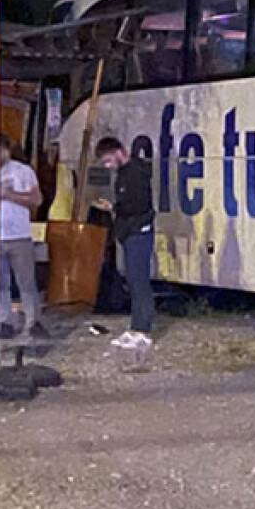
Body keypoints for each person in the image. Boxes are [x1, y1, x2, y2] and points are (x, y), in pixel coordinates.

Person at [0, 135, 47, 339]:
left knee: (26, 281)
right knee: (1, 283)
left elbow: (36, 199)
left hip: (19, 235)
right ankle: (5, 321)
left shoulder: (23, 171)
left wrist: (9, 195)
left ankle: (33, 321)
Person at [93, 137, 156, 351]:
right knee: (133, 279)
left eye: (109, 160)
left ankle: (143, 330)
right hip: (130, 233)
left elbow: (137, 205)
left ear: (119, 151)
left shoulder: (135, 173)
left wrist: (115, 209)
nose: (108, 166)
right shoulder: (124, 174)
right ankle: (136, 327)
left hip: (138, 232)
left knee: (140, 281)